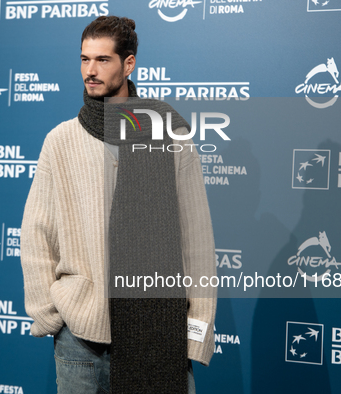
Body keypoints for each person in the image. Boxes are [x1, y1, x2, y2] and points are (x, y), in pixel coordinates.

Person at [21, 15, 217, 394]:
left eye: (102, 60)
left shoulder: (168, 131)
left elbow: (196, 241)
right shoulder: (60, 141)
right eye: (84, 59)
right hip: (80, 343)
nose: (90, 71)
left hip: (159, 336)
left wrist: (197, 331)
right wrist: (49, 315)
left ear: (128, 64)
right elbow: (36, 234)